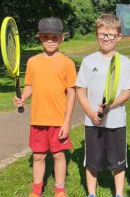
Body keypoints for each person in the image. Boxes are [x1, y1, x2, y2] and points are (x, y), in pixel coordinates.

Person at [13, 17, 76, 197]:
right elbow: (30, 86)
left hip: (58, 120)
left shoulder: (67, 63)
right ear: (39, 37)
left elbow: (71, 93)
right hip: (38, 119)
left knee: (58, 155)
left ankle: (59, 189)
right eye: (45, 36)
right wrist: (22, 97)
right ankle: (36, 190)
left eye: (54, 37)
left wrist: (67, 122)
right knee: (38, 156)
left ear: (62, 38)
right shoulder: (32, 62)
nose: (50, 40)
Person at [76, 13, 130, 197]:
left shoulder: (124, 62)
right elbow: (80, 90)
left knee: (118, 161)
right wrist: (90, 112)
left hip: (116, 122)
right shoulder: (88, 61)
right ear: (96, 35)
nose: (106, 38)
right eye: (102, 33)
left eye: (110, 34)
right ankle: (92, 193)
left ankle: (118, 193)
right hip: (92, 122)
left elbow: (127, 92)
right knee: (92, 161)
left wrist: (110, 105)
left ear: (118, 37)